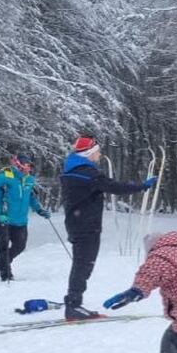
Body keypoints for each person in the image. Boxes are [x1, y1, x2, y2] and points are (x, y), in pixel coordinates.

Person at [60, 135, 155, 320]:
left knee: (82, 264)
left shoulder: (73, 170)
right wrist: (141, 186)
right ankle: (73, 305)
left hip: (78, 224)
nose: (100, 154)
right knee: (83, 265)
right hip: (86, 226)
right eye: (97, 152)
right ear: (89, 153)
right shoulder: (87, 173)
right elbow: (115, 186)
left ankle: (74, 303)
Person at [0, 154, 50, 283]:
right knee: (3, 248)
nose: (29, 168)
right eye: (27, 165)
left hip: (20, 220)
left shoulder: (29, 179)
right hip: (2, 218)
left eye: (30, 166)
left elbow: (31, 198)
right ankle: (6, 275)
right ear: (19, 165)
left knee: (20, 246)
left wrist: (39, 209)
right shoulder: (4, 177)